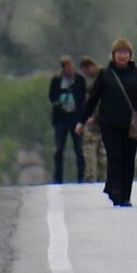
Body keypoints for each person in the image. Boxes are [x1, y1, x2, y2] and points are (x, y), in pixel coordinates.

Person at [77, 38, 137, 207]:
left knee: (128, 160)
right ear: (113, 55)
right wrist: (82, 121)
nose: (122, 56)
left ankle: (125, 196)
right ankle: (115, 190)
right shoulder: (105, 75)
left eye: (125, 53)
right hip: (109, 124)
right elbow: (93, 99)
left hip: (131, 126)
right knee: (115, 157)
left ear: (130, 55)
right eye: (119, 53)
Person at [48, 55, 87, 184]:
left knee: (79, 149)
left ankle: (82, 176)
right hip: (61, 118)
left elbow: (83, 98)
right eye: (67, 67)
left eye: (72, 66)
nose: (70, 70)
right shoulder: (57, 80)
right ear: (63, 69)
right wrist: (60, 101)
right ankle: (58, 177)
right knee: (59, 149)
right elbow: (52, 97)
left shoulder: (79, 79)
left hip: (75, 118)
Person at [78, 57, 106, 182]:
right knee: (102, 155)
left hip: (98, 122)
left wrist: (93, 117)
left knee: (92, 153)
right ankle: (102, 179)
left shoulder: (99, 80)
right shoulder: (103, 77)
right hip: (103, 122)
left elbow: (100, 102)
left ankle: (92, 179)